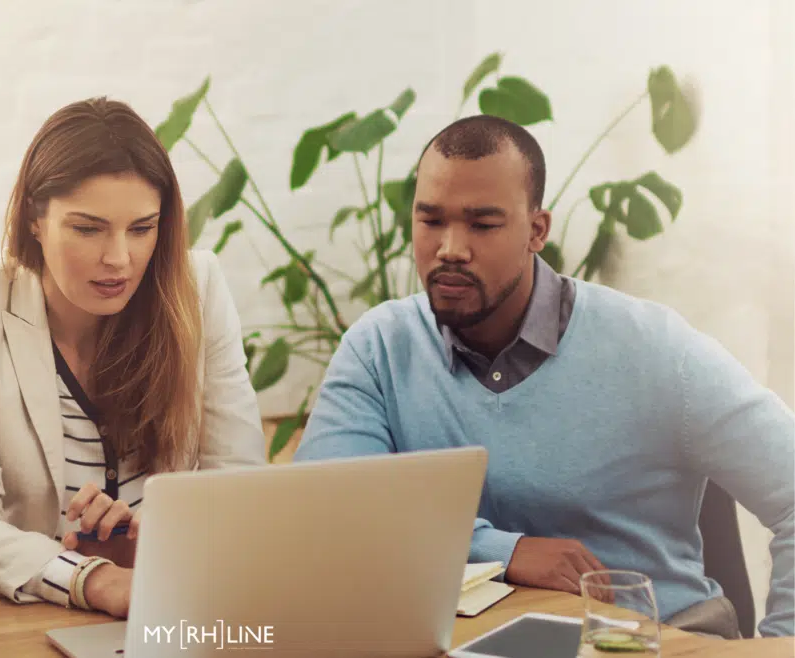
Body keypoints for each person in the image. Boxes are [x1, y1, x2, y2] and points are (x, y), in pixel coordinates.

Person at [294, 114, 794, 639]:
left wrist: (783, 646)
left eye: (482, 224)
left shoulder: (654, 349)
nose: (451, 249)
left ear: (537, 230)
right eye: (431, 220)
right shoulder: (379, 349)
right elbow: (329, 513)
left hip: (648, 643)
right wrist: (504, 551)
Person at [0, 97, 265, 619]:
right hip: (23, 617)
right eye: (88, 228)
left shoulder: (198, 292)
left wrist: (157, 547)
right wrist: (93, 579)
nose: (118, 259)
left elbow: (239, 494)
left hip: (167, 612)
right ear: (35, 217)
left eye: (142, 229)